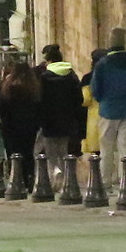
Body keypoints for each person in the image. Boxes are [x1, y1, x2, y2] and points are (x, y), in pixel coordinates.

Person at [86, 27, 126, 184]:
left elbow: (95, 89)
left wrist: (103, 100)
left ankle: (105, 182)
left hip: (108, 110)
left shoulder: (102, 65)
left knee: (106, 149)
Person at [35, 44, 87, 182]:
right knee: (63, 149)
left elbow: (40, 99)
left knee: (50, 150)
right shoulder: (72, 76)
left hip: (49, 120)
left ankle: (54, 171)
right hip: (67, 119)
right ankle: (65, 177)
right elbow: (79, 99)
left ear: (49, 61)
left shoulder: (44, 77)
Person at [0, 54, 43, 191]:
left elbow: (0, 106)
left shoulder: (6, 86)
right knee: (28, 153)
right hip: (29, 125)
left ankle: (15, 181)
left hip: (9, 126)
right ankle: (29, 180)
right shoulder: (33, 87)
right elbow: (39, 106)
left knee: (13, 153)